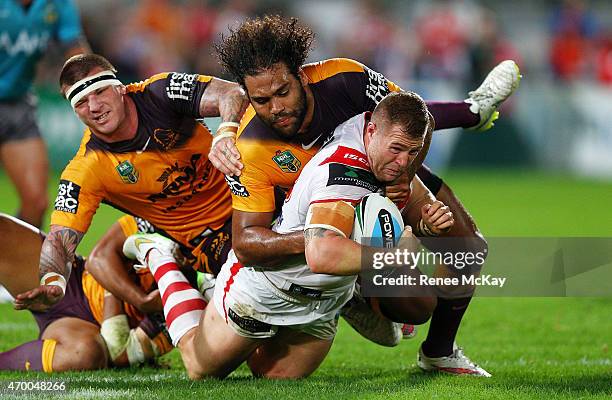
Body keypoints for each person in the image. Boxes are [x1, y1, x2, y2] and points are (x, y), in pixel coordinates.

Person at [210, 15, 520, 376]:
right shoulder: (247, 144)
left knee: (464, 252)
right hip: (316, 209)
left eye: (283, 91)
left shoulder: (346, 79)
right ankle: (348, 291)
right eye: (262, 100)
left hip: (380, 171)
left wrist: (403, 177)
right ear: (247, 97)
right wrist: (325, 241)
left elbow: (413, 115)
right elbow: (247, 242)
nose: (275, 107)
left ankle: (439, 351)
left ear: (301, 74)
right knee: (399, 301)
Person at [121, 91, 449, 379]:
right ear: (372, 131)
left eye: (412, 152)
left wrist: (422, 226)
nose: (404, 162)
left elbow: (403, 207)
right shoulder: (342, 176)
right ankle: (161, 256)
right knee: (201, 367)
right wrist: (396, 256)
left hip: (324, 301)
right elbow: (321, 255)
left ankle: (347, 298)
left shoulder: (376, 141)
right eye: (397, 149)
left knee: (274, 376)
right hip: (269, 289)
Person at [13, 54, 248, 373]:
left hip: (247, 210)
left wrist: (225, 132)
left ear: (120, 88)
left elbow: (233, 93)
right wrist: (54, 282)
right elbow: (60, 240)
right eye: (80, 102)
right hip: (202, 250)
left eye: (98, 92)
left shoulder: (160, 92)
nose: (93, 107)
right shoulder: (88, 167)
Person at [0, 213, 173, 372]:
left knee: (86, 355)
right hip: (73, 278)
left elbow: (120, 352)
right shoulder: (161, 214)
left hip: (86, 328)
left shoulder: (190, 297)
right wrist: (140, 300)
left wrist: (115, 278)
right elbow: (98, 259)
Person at [0, 0, 90, 228]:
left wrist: (93, 84)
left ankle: (10, 261)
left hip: (18, 103)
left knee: (36, 202)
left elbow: (75, 51)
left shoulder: (57, 5)